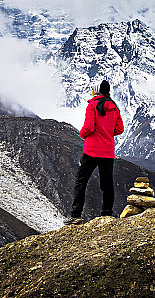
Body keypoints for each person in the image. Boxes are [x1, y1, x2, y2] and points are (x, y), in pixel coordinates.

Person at [64, 79, 124, 225]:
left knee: (81, 182)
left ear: (96, 91)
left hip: (91, 151)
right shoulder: (115, 107)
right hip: (107, 152)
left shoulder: (92, 105)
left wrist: (82, 134)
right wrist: (107, 133)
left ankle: (76, 215)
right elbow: (120, 129)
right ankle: (107, 214)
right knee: (107, 184)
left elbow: (89, 127)